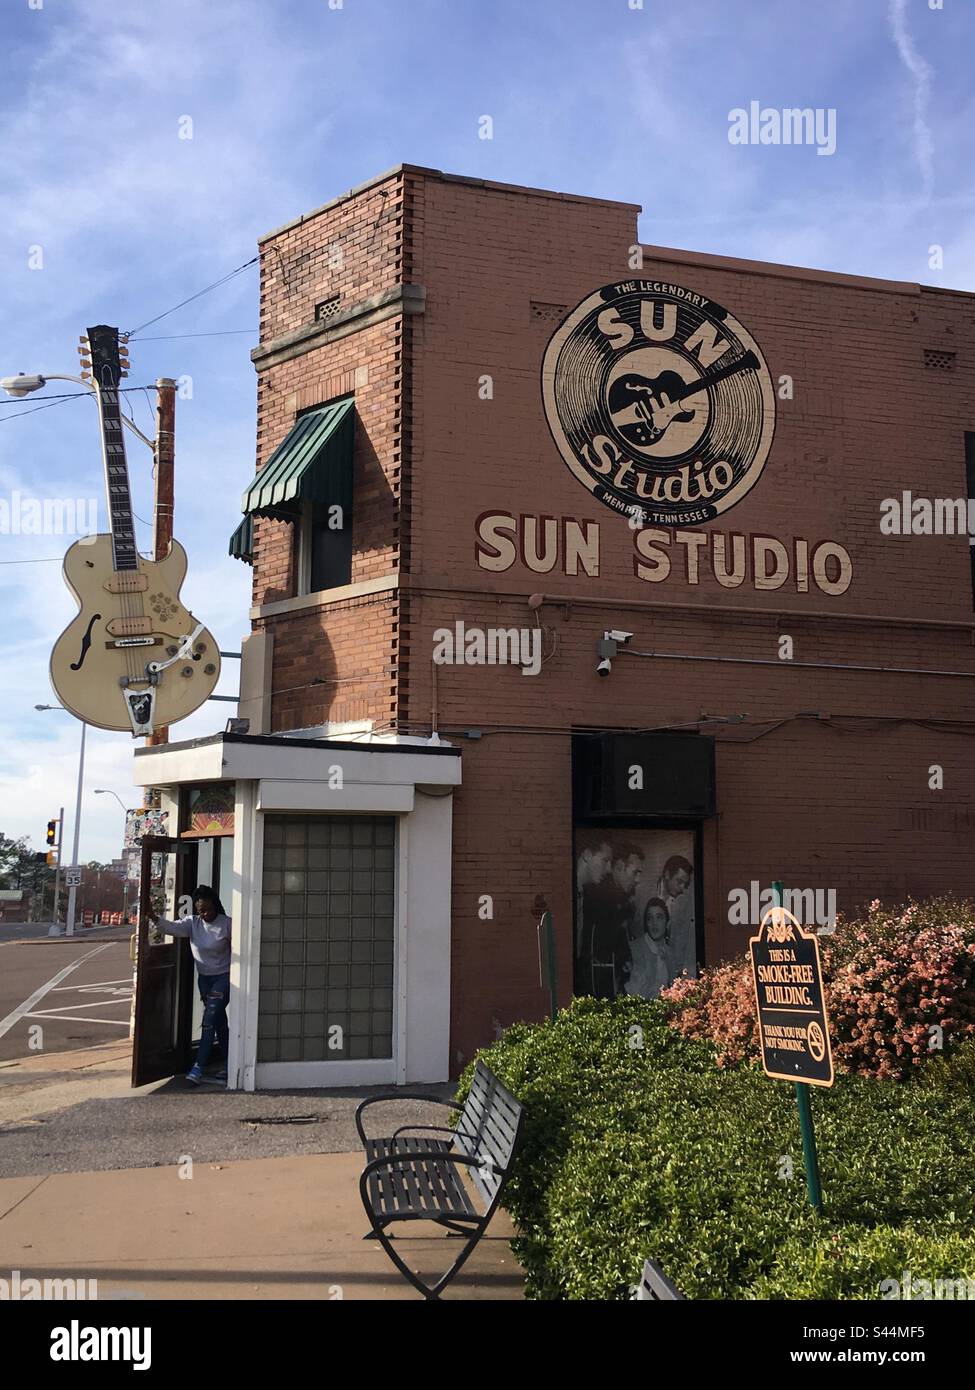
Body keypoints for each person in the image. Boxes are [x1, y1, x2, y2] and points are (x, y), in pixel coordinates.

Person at [150, 884, 231, 1086]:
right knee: (219, 1022)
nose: (205, 914)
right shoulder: (193, 923)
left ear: (216, 906)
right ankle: (231, 1063)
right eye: (201, 910)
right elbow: (172, 928)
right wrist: (152, 917)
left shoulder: (227, 924)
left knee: (209, 1021)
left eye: (208, 909)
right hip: (204, 978)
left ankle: (198, 1067)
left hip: (223, 977)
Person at [588, 843, 643, 999]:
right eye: (635, 873)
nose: (637, 880)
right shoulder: (604, 900)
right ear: (619, 867)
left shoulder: (621, 901)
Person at [624, 897, 672, 999]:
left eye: (659, 917)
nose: (654, 923)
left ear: (667, 922)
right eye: (650, 918)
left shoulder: (670, 952)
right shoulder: (634, 949)